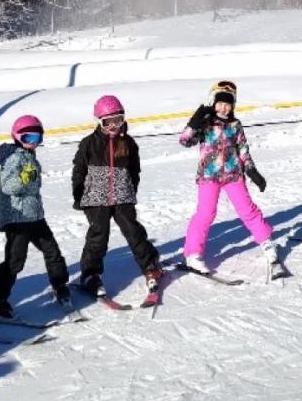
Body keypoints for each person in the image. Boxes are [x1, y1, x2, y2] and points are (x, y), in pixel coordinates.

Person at [0, 114, 71, 319]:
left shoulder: (29, 157)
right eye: (28, 138)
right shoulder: (13, 158)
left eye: (37, 139)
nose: (33, 143)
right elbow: (8, 186)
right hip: (17, 218)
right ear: (17, 137)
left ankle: (60, 284)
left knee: (52, 250)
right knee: (14, 260)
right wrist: (24, 177)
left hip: (34, 216)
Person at [179, 81, 276, 271]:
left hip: (233, 175)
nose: (224, 107)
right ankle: (192, 254)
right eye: (220, 102)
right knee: (205, 214)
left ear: (233, 105)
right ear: (213, 103)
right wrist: (196, 118)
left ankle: (266, 241)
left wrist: (251, 170)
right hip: (209, 175)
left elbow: (243, 150)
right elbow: (185, 140)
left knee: (247, 209)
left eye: (228, 103)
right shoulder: (206, 123)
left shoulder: (235, 125)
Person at [73, 95, 162, 295]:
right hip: (96, 198)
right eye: (108, 122)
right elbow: (79, 170)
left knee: (133, 231)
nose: (114, 126)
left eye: (118, 120)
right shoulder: (89, 143)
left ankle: (151, 265)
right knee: (98, 236)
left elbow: (134, 171)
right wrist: (78, 195)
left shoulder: (128, 143)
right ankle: (91, 274)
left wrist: (131, 191)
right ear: (99, 122)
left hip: (122, 196)